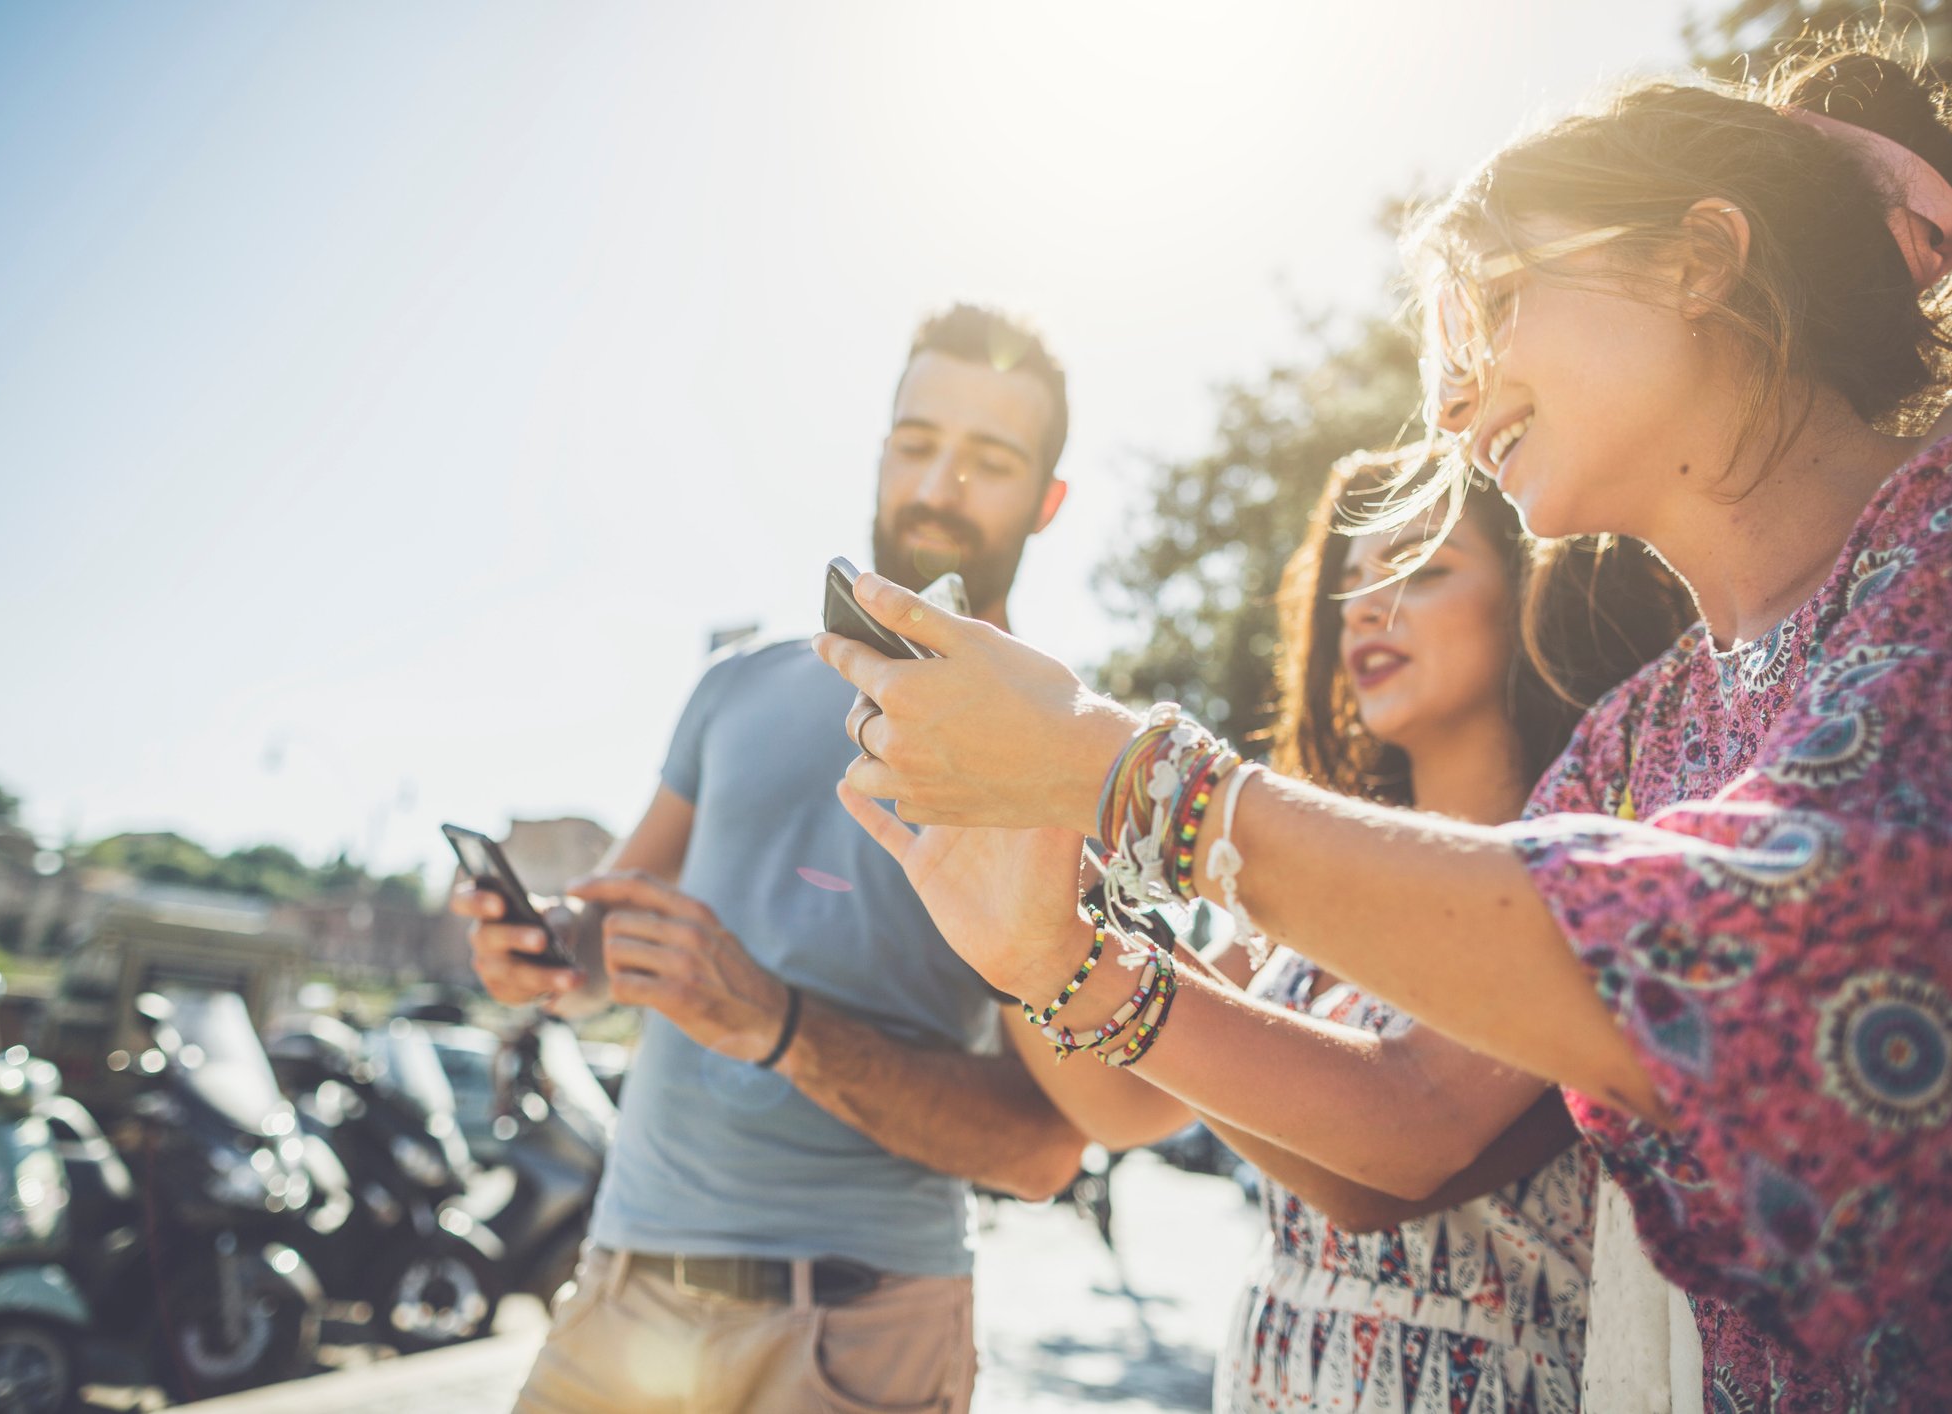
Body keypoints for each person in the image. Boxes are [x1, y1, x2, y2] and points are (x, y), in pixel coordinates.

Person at [815, 45, 1952, 1409]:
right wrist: (1052, 950)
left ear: (1694, 259)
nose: (1457, 404)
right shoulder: (1637, 739)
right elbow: (1411, 1114)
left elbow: (1760, 959)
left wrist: (1113, 768)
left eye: (1497, 307)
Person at [459, 303, 1089, 1414]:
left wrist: (776, 1022)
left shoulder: (1063, 753)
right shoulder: (737, 686)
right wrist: (543, 949)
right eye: (917, 442)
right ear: (881, 454)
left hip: (857, 1335)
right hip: (619, 1298)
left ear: (1046, 503)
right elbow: (610, 921)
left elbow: (1043, 1152)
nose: (939, 485)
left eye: (989, 461)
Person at [962, 452, 1685, 1410]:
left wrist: (1067, 939)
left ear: (1532, 592)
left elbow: (1389, 1160)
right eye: (1350, 583)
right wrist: (1016, 861)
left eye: (1420, 569)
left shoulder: (1582, 859)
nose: (1367, 607)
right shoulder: (1306, 898)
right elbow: (1119, 1107)